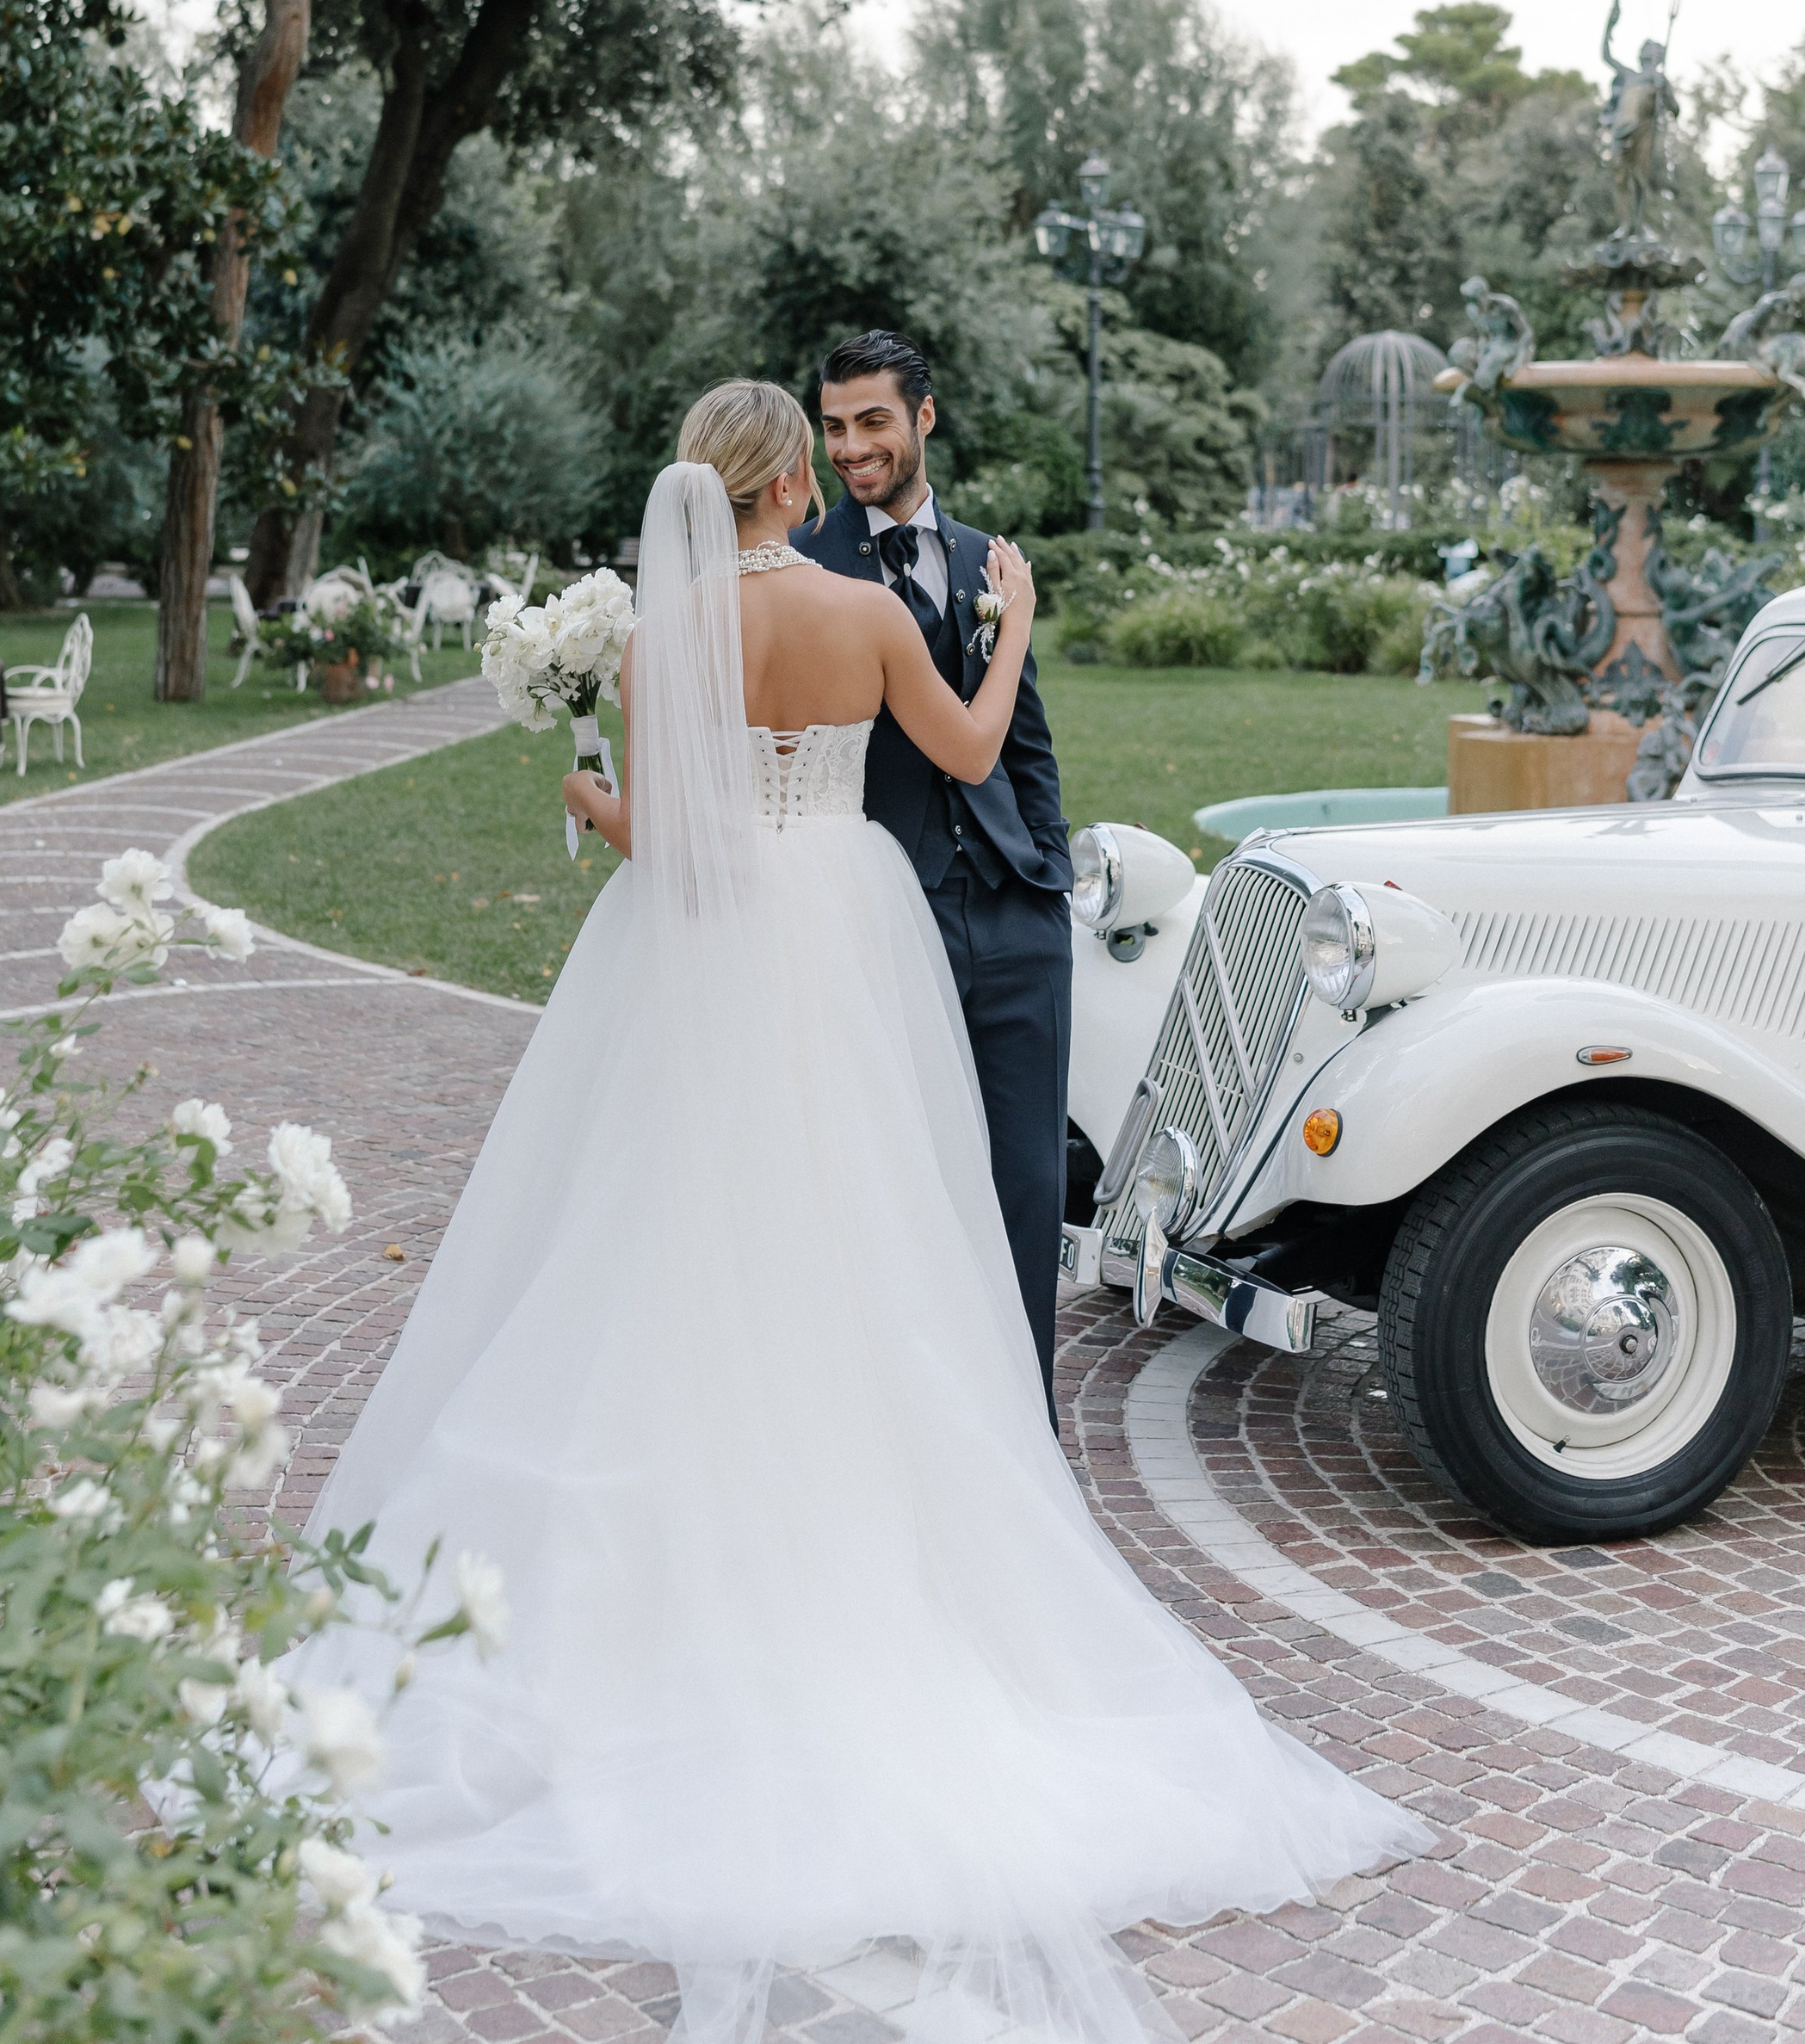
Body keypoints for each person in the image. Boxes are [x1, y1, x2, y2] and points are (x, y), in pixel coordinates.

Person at [281, 380, 1425, 2044]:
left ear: (702, 486)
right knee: (869, 1238)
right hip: (842, 932)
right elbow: (963, 755)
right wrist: (1013, 621)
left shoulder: (663, 638)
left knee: (656, 1241)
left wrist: (595, 802)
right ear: (798, 477)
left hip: (703, 962)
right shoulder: (873, 607)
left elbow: (667, 851)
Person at [794, 331, 1072, 1405]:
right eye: (832, 427)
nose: (851, 448)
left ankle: (1028, 1432)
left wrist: (1044, 867)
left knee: (1027, 1183)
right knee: (899, 1183)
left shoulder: (984, 560)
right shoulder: (807, 567)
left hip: (1013, 912)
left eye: (871, 421)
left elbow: (1027, 737)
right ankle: (919, 1423)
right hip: (883, 914)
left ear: (924, 418)